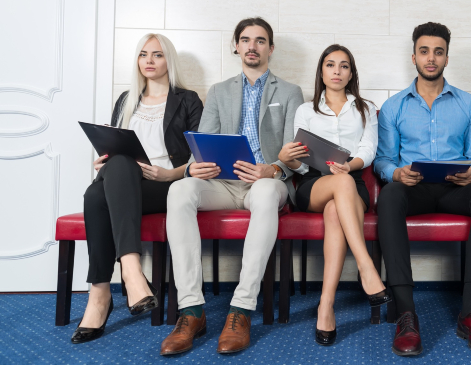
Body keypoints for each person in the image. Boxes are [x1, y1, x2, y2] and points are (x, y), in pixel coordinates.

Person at [160, 17, 304, 355]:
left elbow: (294, 151)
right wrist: (199, 164)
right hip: (224, 182)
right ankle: (192, 310)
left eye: (260, 40)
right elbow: (204, 142)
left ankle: (241, 309)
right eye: (245, 40)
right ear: (236, 46)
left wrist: (272, 169)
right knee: (179, 190)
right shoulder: (219, 91)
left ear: (270, 48)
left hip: (267, 183)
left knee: (267, 191)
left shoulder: (290, 92)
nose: (252, 46)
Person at [374, 22, 471, 356]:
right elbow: (383, 160)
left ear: (447, 57)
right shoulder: (394, 107)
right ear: (413, 56)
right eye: (424, 51)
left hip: (454, 188)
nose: (431, 58)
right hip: (413, 189)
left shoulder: (468, 105)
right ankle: (405, 312)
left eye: (439, 51)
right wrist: (396, 173)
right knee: (388, 196)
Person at [71, 33, 202, 344]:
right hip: (125, 182)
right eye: (143, 55)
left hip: (166, 185)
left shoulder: (188, 99)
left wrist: (169, 173)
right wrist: (105, 162)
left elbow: (201, 157)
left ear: (168, 60)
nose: (149, 61)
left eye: (157, 55)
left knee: (94, 196)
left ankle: (102, 294)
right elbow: (116, 146)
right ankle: (128, 273)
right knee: (112, 171)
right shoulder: (126, 100)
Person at [278, 44, 390, 346]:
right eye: (330, 65)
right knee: (340, 184)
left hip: (353, 182)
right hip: (315, 184)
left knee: (336, 208)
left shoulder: (365, 107)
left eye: (343, 66)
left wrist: (347, 165)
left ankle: (325, 306)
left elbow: (367, 151)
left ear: (351, 72)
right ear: (322, 71)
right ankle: (366, 267)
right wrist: (288, 158)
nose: (337, 71)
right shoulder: (305, 109)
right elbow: (299, 164)